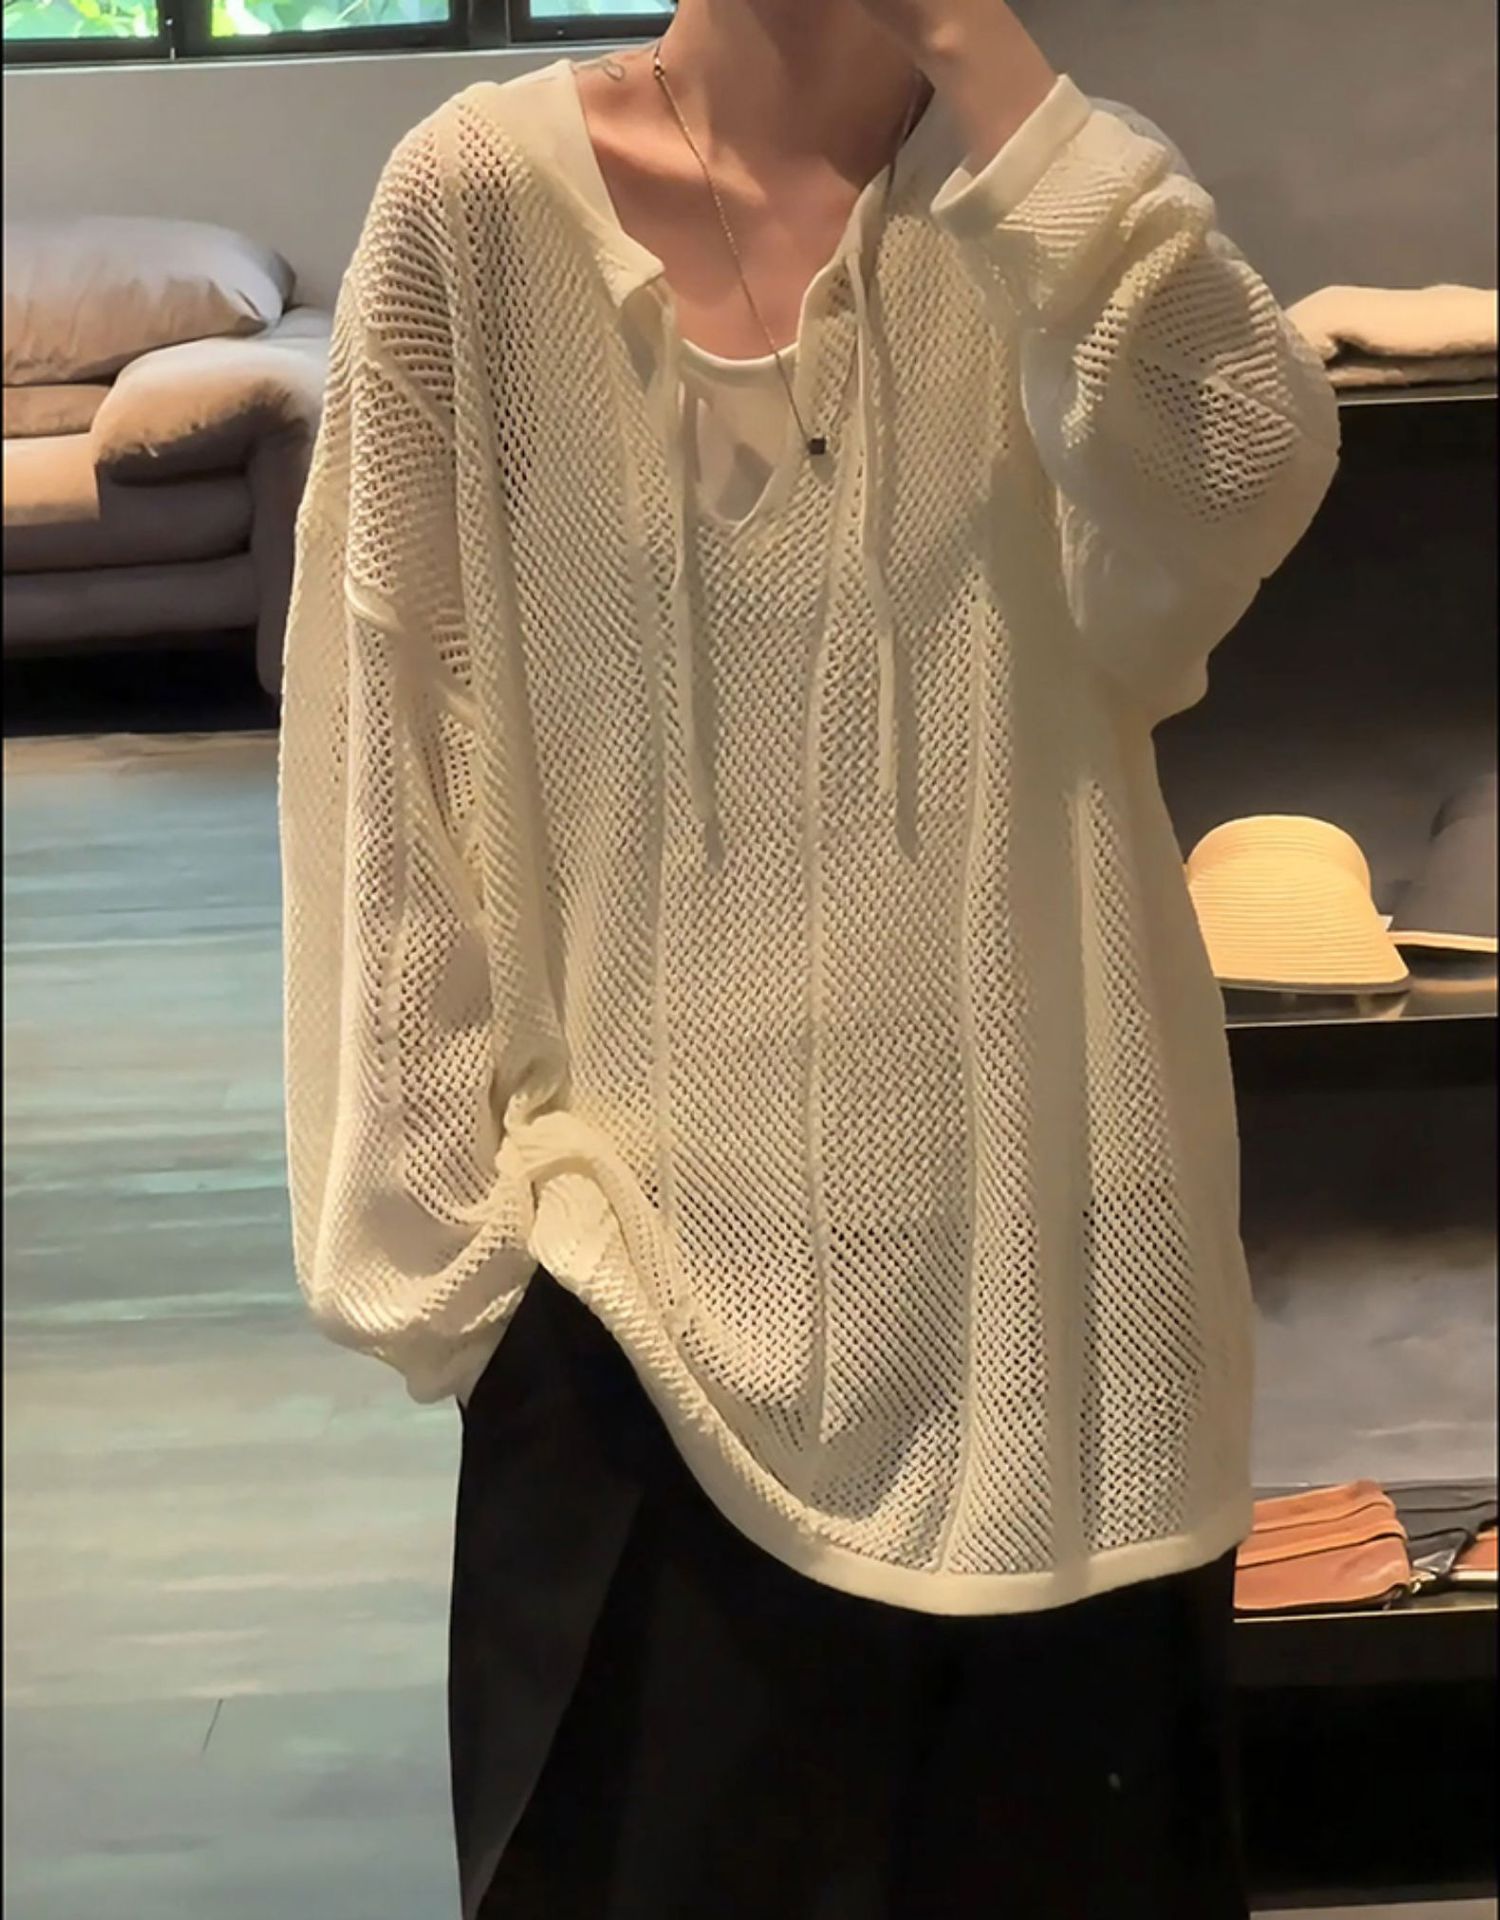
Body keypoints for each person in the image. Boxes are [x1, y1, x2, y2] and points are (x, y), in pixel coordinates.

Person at [277, 2, 1340, 1914]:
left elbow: (1247, 465)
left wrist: (985, 62)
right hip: (633, 1339)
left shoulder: (1053, 220)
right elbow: (392, 771)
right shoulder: (474, 207)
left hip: (1065, 1344)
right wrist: (471, 1282)